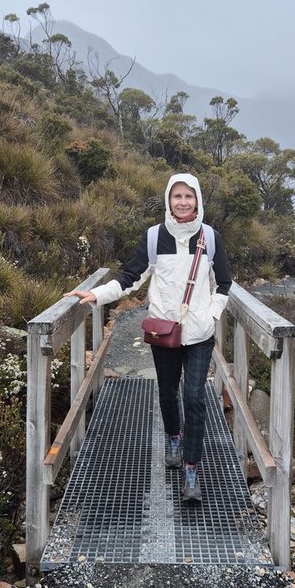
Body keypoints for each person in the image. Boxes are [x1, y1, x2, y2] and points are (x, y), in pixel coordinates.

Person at [65, 172, 232, 504]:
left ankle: (190, 470)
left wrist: (211, 315)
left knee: (195, 399)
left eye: (189, 196)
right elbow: (130, 278)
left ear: (198, 199)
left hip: (199, 334)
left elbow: (224, 283)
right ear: (169, 200)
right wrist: (96, 295)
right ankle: (173, 437)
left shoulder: (210, 238)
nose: (183, 202)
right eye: (177, 196)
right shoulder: (155, 237)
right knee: (168, 392)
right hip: (163, 330)